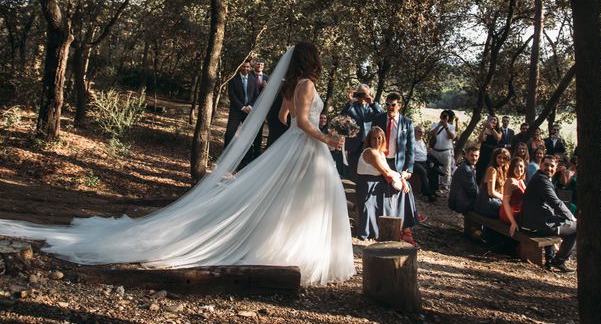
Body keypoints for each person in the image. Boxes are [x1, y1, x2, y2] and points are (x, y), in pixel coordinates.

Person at [0, 42, 356, 286]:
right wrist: (327, 135)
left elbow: (284, 115)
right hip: (308, 147)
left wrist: (310, 125)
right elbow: (305, 123)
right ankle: (297, 251)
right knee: (302, 202)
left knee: (286, 200)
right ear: (311, 61)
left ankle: (289, 248)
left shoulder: (292, 85)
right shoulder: (308, 83)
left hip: (297, 146)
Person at [372, 92, 419, 245]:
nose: (390, 108)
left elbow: (411, 149)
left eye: (393, 105)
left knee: (402, 192)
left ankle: (404, 228)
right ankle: (382, 228)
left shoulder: (407, 123)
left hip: (398, 164)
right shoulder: (378, 119)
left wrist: (409, 169)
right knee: (383, 194)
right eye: (387, 104)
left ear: (399, 105)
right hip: (381, 160)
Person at [355, 127, 414, 242]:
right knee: (403, 189)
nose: (377, 141)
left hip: (378, 183)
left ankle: (403, 226)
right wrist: (401, 180)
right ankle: (403, 226)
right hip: (368, 186)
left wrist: (402, 177)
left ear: (383, 140)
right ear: (369, 140)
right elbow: (387, 173)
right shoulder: (370, 152)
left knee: (406, 187)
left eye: (379, 138)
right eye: (374, 138)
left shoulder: (380, 153)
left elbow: (389, 172)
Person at [520, 155, 577, 272]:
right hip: (536, 223)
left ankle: (550, 260)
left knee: (555, 219)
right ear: (540, 165)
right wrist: (572, 217)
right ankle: (559, 261)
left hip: (532, 220)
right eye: (546, 165)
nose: (549, 168)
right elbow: (555, 202)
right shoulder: (542, 180)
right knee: (577, 227)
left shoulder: (541, 178)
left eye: (552, 166)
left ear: (556, 168)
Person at [341, 84, 383, 177]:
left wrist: (372, 103)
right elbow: (342, 117)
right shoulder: (352, 106)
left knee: (369, 169)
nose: (361, 96)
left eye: (363, 93)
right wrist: (350, 102)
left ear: (369, 93)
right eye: (359, 93)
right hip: (354, 144)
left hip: (369, 143)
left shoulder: (373, 106)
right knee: (354, 171)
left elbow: (382, 117)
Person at [224, 60, 259, 148]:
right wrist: (242, 107)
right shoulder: (233, 79)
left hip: (249, 111)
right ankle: (226, 153)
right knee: (230, 133)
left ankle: (245, 157)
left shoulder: (253, 79)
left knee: (247, 134)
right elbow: (232, 95)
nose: (245, 68)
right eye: (243, 66)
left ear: (250, 68)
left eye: (247, 67)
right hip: (236, 110)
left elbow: (256, 95)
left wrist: (250, 106)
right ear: (240, 67)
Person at [474, 148, 510, 218]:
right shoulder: (492, 170)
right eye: (499, 157)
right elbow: (491, 192)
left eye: (504, 158)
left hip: (494, 200)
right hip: (487, 202)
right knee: (507, 211)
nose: (501, 160)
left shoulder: (503, 170)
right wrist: (504, 198)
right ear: (495, 157)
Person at [498, 157, 527, 236]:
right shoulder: (510, 181)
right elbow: (505, 202)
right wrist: (513, 222)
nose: (519, 169)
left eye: (521, 166)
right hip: (508, 213)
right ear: (511, 168)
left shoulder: (520, 180)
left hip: (517, 211)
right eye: (515, 166)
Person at [429, 110, 456, 190]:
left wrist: (446, 127)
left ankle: (445, 185)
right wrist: (438, 126)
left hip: (445, 151)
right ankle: (434, 183)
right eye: (443, 116)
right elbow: (431, 134)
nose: (444, 118)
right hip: (435, 150)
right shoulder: (435, 125)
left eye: (445, 117)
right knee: (433, 167)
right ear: (440, 117)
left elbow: (452, 137)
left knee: (446, 169)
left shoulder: (451, 127)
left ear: (448, 118)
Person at [448, 146, 480, 214]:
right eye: (472, 155)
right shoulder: (465, 169)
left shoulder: (468, 166)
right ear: (466, 155)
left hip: (463, 200)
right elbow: (473, 191)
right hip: (462, 204)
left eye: (476, 156)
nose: (474, 158)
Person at [250, 58, 269, 158]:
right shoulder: (250, 75)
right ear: (254, 65)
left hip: (261, 108)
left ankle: (256, 153)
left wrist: (266, 87)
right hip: (250, 107)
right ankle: (247, 153)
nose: (260, 66)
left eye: (262, 65)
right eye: (258, 64)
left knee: (259, 131)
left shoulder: (266, 77)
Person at [476, 116, 503, 185]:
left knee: (490, 168)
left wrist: (491, 128)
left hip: (493, 152)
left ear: (497, 122)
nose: (493, 121)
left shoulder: (499, 130)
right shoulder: (485, 130)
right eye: (492, 120)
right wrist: (484, 128)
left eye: (495, 120)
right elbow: (480, 140)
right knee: (481, 170)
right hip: (484, 151)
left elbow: (498, 138)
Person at [413, 126, 436, 201]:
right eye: (419, 131)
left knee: (434, 170)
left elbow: (424, 153)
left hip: (424, 161)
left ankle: (433, 191)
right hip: (414, 162)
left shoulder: (422, 141)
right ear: (414, 132)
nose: (421, 134)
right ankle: (427, 193)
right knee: (423, 172)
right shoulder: (412, 141)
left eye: (423, 132)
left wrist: (430, 161)